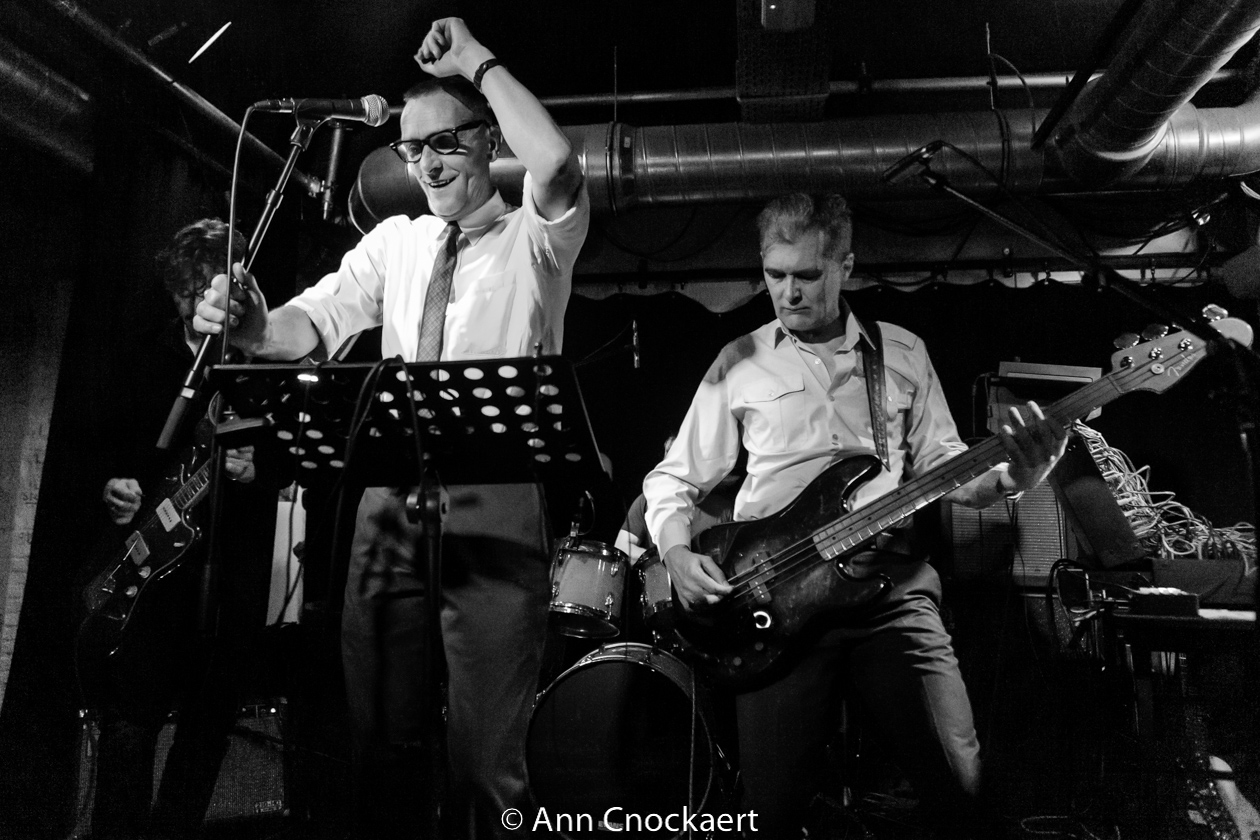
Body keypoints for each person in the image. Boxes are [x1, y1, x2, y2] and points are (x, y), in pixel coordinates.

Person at [194, 17, 587, 839]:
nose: (428, 165)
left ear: (487, 142)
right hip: (388, 502)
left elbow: (554, 163)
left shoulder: (532, 239)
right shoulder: (397, 243)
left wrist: (477, 61)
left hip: (496, 499)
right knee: (379, 746)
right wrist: (255, 328)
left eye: (446, 143)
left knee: (483, 763)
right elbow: (313, 321)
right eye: (413, 150)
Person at [642, 193, 1067, 838]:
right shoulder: (739, 359)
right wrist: (676, 552)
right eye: (775, 274)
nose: (788, 292)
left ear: (845, 266)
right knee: (772, 812)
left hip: (888, 590)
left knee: (959, 783)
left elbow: (945, 470)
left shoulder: (902, 351)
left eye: (807, 275)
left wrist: (1015, 478)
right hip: (774, 597)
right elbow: (674, 478)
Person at [86, 218, 273, 840]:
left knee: (208, 723)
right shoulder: (146, 355)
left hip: (229, 569)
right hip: (149, 569)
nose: (199, 305)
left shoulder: (262, 362)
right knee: (129, 718)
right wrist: (112, 485)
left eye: (209, 290)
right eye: (187, 293)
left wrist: (259, 469)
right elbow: (102, 444)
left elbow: (299, 451)